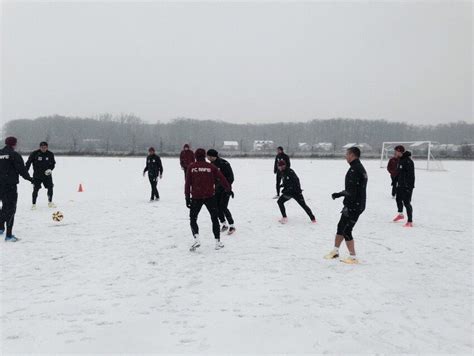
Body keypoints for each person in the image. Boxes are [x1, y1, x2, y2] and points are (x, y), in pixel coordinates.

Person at [324, 147, 368, 264]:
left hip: (355, 205)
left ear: (352, 155)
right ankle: (335, 251)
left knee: (347, 230)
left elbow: (351, 192)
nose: (345, 156)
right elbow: (353, 189)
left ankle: (353, 257)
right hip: (352, 204)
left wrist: (339, 194)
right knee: (340, 227)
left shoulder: (354, 170)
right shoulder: (357, 168)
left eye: (347, 154)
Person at [185, 148, 231, 251]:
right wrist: (228, 189)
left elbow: (187, 183)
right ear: (205, 156)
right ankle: (217, 242)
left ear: (196, 156)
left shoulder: (191, 167)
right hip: (210, 196)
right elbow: (222, 178)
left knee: (193, 218)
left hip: (196, 197)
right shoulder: (211, 166)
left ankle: (196, 239)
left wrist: (187, 197)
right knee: (214, 219)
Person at [0, 137, 33, 242]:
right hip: (9, 186)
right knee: (10, 209)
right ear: (14, 144)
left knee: (4, 207)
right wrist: (31, 179)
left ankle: (1, 228)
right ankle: (9, 236)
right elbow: (22, 170)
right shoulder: (14, 155)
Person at [206, 149, 236, 234]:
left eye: (208, 156)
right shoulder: (210, 165)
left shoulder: (224, 164)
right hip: (215, 190)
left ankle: (232, 225)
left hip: (225, 189)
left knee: (223, 207)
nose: (207, 157)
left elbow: (231, 178)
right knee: (216, 207)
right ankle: (223, 224)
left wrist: (225, 186)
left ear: (212, 156)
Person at [25, 141, 56, 209]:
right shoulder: (35, 153)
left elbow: (53, 163)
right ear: (40, 147)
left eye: (45, 147)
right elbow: (28, 163)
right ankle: (33, 204)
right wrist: (25, 171)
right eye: (42, 147)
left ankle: (50, 202)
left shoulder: (50, 154)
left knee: (50, 187)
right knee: (36, 189)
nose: (43, 149)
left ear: (47, 147)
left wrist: (50, 169)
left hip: (47, 175)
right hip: (37, 175)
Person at [392, 145, 415, 227]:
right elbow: (399, 173)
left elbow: (411, 176)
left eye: (396, 151)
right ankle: (401, 214)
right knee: (398, 199)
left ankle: (410, 221)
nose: (395, 153)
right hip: (400, 185)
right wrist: (394, 182)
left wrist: (409, 186)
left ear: (400, 151)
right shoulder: (400, 160)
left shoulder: (408, 161)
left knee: (406, 202)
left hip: (407, 186)